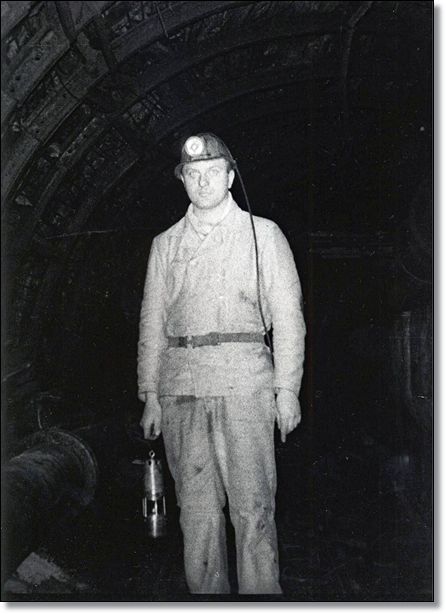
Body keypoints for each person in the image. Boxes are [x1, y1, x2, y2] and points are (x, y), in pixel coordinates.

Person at [137, 133, 306, 595]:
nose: (203, 182)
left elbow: (288, 318)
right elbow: (152, 323)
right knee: (196, 513)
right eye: (193, 174)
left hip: (244, 385)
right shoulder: (165, 244)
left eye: (213, 172)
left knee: (254, 509)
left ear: (230, 177)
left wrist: (287, 390)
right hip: (181, 390)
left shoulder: (263, 235)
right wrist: (151, 394)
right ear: (183, 181)